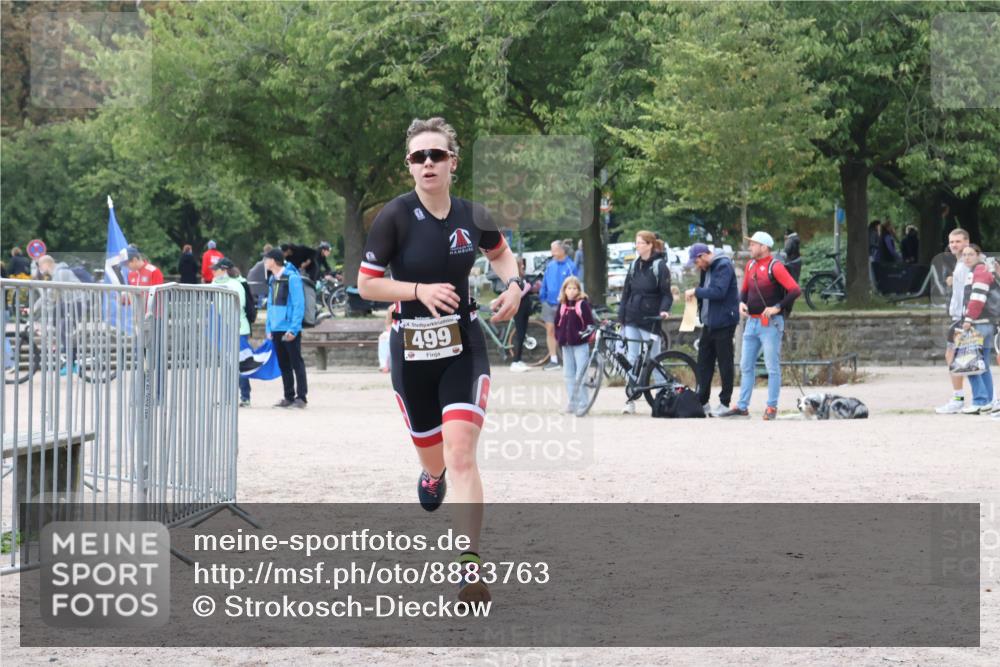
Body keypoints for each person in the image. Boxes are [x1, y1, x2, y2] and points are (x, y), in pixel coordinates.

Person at [357, 116, 521, 605]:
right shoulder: (394, 217)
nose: (427, 163)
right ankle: (431, 476)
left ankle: (470, 566)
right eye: (417, 157)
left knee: (461, 452)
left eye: (436, 155)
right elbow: (367, 284)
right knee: (436, 458)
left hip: (463, 346)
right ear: (409, 167)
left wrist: (514, 285)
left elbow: (502, 255)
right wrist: (416, 291)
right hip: (412, 349)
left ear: (453, 161)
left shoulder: (475, 215)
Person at [719, 231, 801, 420]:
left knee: (772, 366)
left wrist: (777, 307)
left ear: (764, 247)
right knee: (746, 365)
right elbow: (745, 291)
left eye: (753, 244)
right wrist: (741, 302)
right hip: (752, 322)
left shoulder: (776, 266)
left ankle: (771, 407)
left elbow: (795, 290)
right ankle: (742, 406)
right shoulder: (751, 265)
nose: (750, 247)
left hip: (770, 324)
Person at [618, 230, 672, 414]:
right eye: (636, 242)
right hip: (632, 315)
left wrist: (664, 310)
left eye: (641, 242)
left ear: (649, 245)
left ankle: (662, 397)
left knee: (653, 360)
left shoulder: (660, 266)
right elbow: (626, 291)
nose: (637, 245)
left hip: (650, 318)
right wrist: (622, 315)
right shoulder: (633, 265)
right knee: (632, 358)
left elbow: (666, 294)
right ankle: (630, 399)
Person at [685, 243, 739, 417]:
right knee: (703, 362)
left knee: (725, 362)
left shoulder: (723, 265)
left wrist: (696, 291)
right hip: (709, 323)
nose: (696, 266)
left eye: (696, 262)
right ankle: (703, 401)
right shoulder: (706, 269)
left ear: (703, 256)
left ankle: (724, 402)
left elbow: (718, 292)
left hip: (724, 322)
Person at [263, 248, 307, 408]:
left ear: (274, 260)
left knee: (296, 362)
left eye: (266, 259)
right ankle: (288, 396)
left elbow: (298, 304)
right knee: (283, 364)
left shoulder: (292, 278)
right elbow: (269, 305)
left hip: (289, 328)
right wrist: (269, 327)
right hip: (276, 328)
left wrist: (294, 329)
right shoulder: (272, 279)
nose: (265, 262)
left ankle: (301, 397)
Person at [936, 229, 972, 414]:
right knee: (958, 357)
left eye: (958, 241)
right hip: (958, 317)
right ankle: (971, 398)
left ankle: (961, 398)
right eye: (951, 242)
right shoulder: (959, 263)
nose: (954, 245)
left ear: (967, 241)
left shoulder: (970, 261)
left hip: (966, 317)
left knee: (956, 357)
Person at [956, 245, 995, 413]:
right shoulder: (984, 269)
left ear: (978, 255)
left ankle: (979, 401)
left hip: (978, 323)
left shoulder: (979, 271)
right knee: (983, 364)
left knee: (969, 362)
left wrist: (968, 319)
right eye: (964, 255)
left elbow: (978, 298)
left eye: (970, 254)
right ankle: (987, 401)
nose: (967, 258)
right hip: (987, 324)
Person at [211, 258, 253, 407]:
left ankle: (245, 396)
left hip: (238, 328)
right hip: (225, 328)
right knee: (227, 365)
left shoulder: (236, 284)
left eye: (216, 270)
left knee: (240, 363)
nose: (213, 272)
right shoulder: (214, 284)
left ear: (224, 270)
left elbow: (239, 305)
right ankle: (228, 397)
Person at [554, 276, 594, 415]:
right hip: (566, 344)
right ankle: (572, 403)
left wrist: (582, 335)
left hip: (580, 345)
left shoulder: (582, 304)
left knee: (580, 375)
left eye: (574, 288)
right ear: (564, 290)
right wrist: (559, 337)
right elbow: (556, 323)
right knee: (568, 375)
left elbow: (590, 323)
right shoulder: (562, 305)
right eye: (569, 288)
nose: (571, 291)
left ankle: (584, 404)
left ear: (579, 290)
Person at [538, 240, 580, 370]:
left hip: (563, 304)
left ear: (562, 251)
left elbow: (574, 286)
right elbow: (545, 281)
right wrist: (543, 297)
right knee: (550, 330)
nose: (552, 253)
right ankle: (554, 360)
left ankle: (569, 360)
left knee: (566, 332)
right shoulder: (550, 265)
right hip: (548, 304)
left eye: (554, 250)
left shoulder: (570, 266)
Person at [509, 256, 536, 373]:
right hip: (519, 309)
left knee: (523, 334)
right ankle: (515, 362)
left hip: (525, 308)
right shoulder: (513, 279)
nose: (523, 266)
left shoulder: (523, 277)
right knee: (519, 335)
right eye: (521, 264)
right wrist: (526, 289)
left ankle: (519, 360)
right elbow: (516, 295)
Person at [247, 244, 272, 308]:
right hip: (259, 285)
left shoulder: (260, 263)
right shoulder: (267, 262)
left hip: (251, 284)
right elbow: (267, 277)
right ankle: (262, 304)